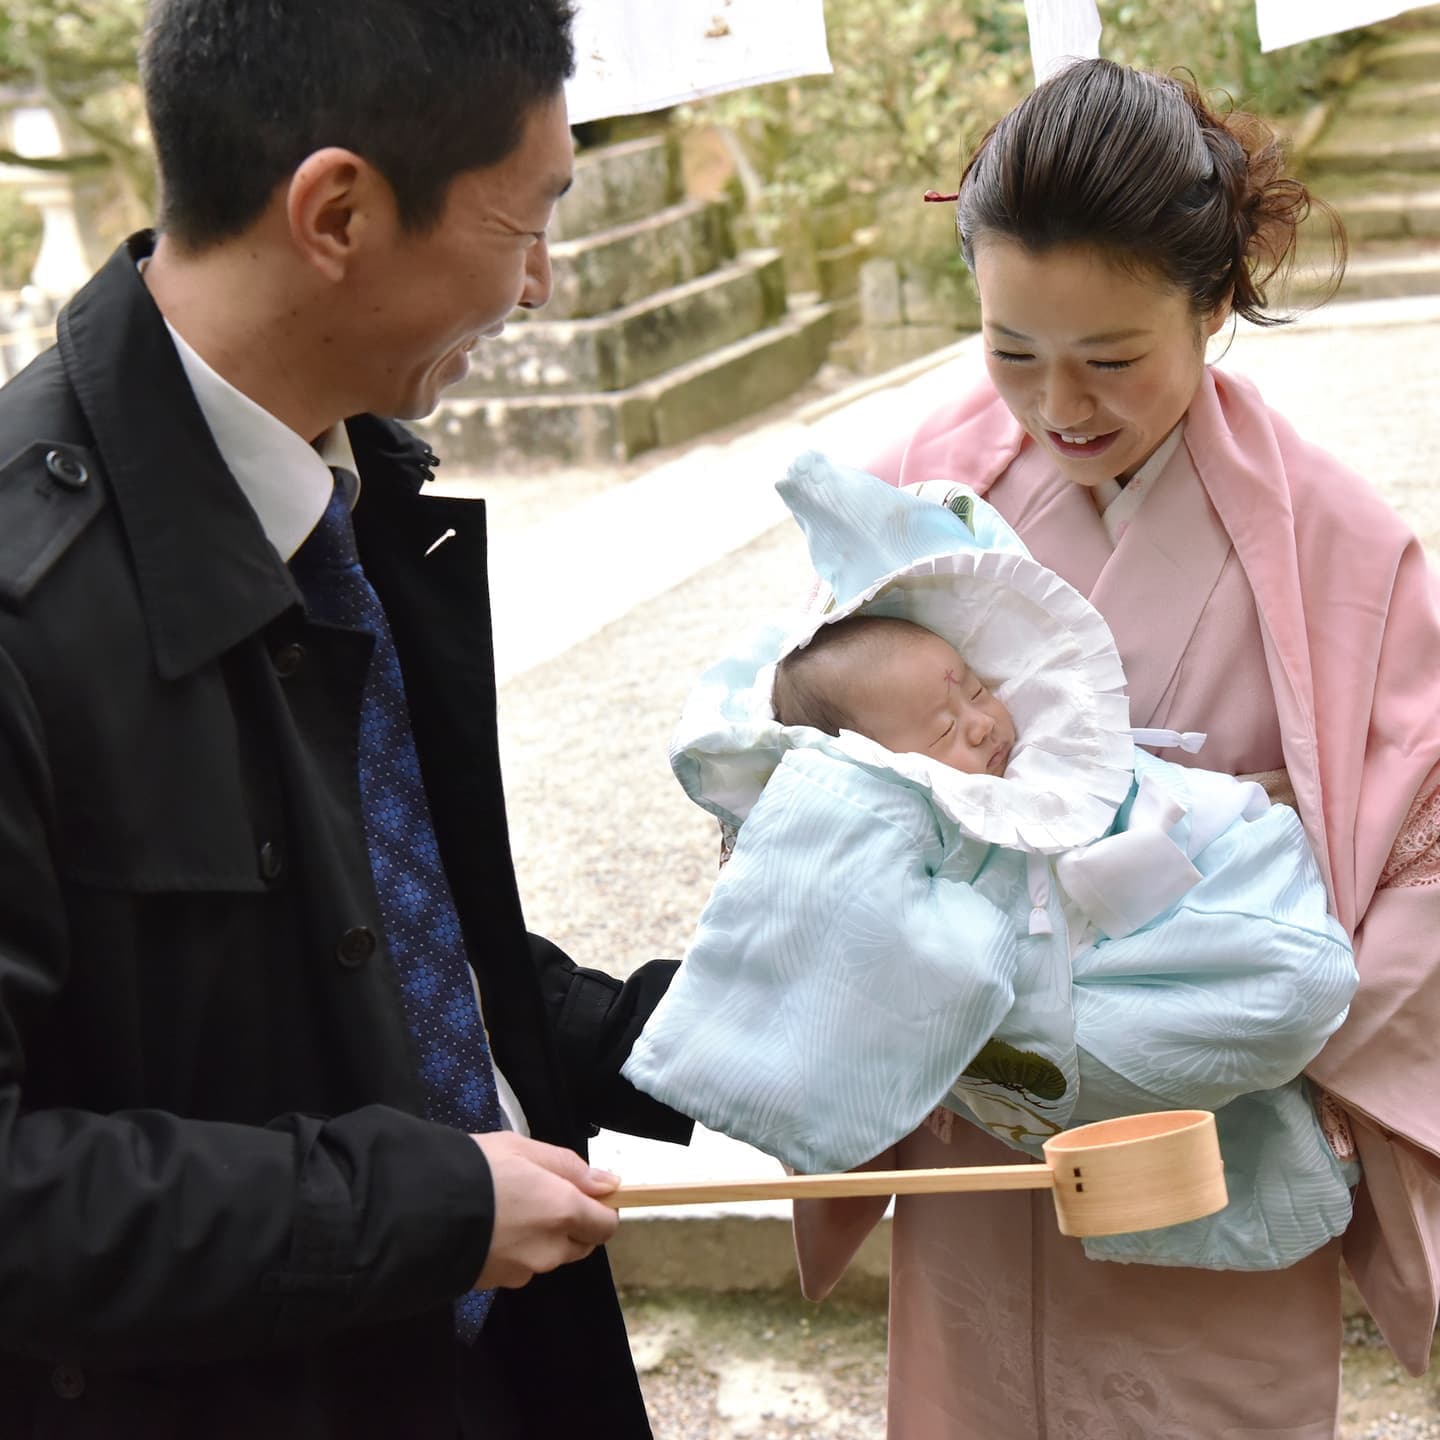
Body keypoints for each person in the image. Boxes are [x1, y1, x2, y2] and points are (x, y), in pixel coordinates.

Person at [0, 2, 692, 1435]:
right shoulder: (25, 602)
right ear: (338, 212)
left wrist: (735, 1042)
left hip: (489, 1360)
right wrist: (422, 1206)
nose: (544, 284)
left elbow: (394, 939)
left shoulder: (354, 489)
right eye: (526, 223)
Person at [787, 58, 1440, 1438]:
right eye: (1012, 351)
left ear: (1212, 306)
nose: (1056, 404)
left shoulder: (1339, 546)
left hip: (1207, 1143)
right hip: (986, 1116)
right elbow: (805, 751)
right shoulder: (922, 494)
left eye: (1111, 358)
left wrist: (1260, 1041)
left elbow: (1430, 842)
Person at [624, 453, 1357, 1275]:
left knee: (1302, 980)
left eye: (974, 687)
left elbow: (1192, 810)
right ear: (876, 767)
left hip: (1198, 931)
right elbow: (879, 956)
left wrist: (1212, 833)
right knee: (1232, 1016)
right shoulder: (907, 837)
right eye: (941, 730)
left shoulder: (1061, 755)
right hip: (1088, 1018)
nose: (980, 724)